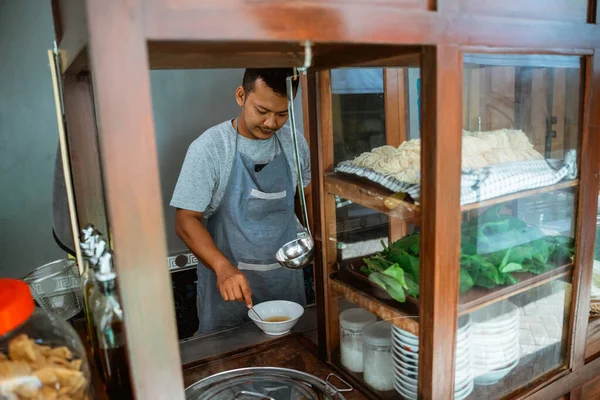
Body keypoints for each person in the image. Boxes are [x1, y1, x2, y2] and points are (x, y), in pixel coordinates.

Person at [170, 68, 311, 335]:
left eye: (282, 114)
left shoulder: (295, 143)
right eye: (262, 110)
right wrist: (223, 268)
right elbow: (185, 221)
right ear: (241, 96)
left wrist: (323, 243)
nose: (271, 123)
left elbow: (307, 199)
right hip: (229, 295)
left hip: (285, 288)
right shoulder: (209, 148)